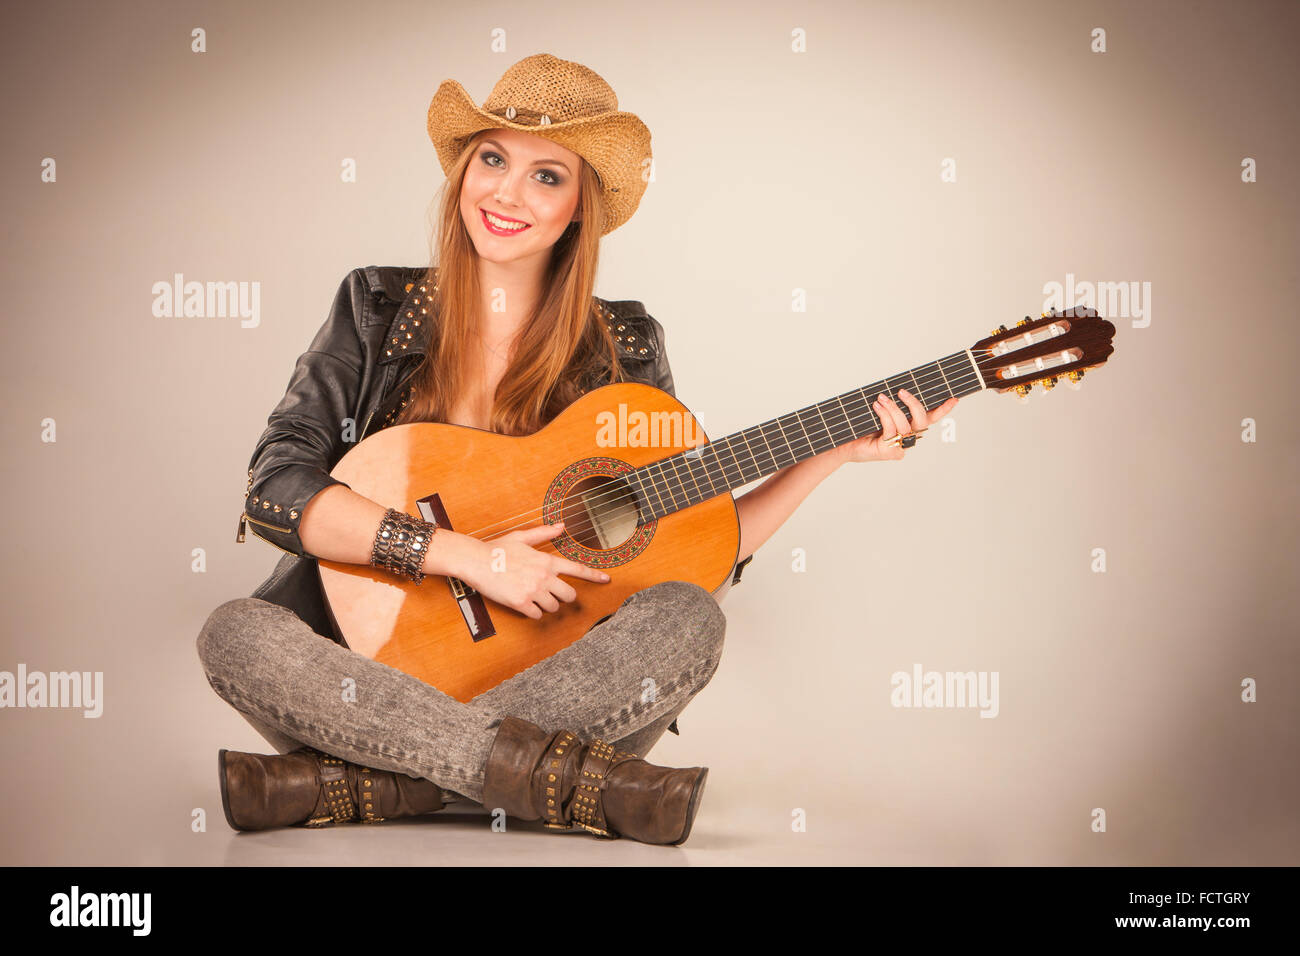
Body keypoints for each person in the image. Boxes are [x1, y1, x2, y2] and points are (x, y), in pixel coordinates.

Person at [196, 53, 957, 847]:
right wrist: (468, 558)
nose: (506, 193)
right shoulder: (378, 305)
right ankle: (566, 785)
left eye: (547, 176)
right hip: (363, 675)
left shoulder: (625, 344)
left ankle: (381, 783)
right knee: (235, 633)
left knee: (687, 618)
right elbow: (276, 486)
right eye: (492, 159)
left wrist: (826, 455)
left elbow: (688, 540)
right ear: (461, 172)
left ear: (580, 210)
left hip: (554, 687)